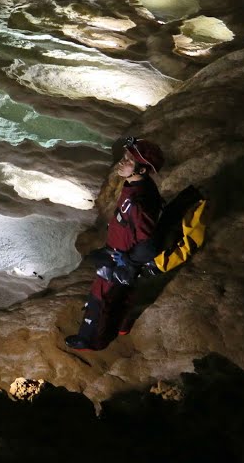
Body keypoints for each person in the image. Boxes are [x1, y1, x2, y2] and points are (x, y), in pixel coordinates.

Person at [65, 137, 165, 351]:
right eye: (125, 157)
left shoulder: (140, 202)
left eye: (129, 160)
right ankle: (121, 326)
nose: (122, 162)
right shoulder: (137, 186)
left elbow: (148, 246)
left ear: (143, 170)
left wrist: (127, 262)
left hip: (121, 258)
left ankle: (92, 340)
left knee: (102, 300)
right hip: (119, 251)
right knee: (121, 299)